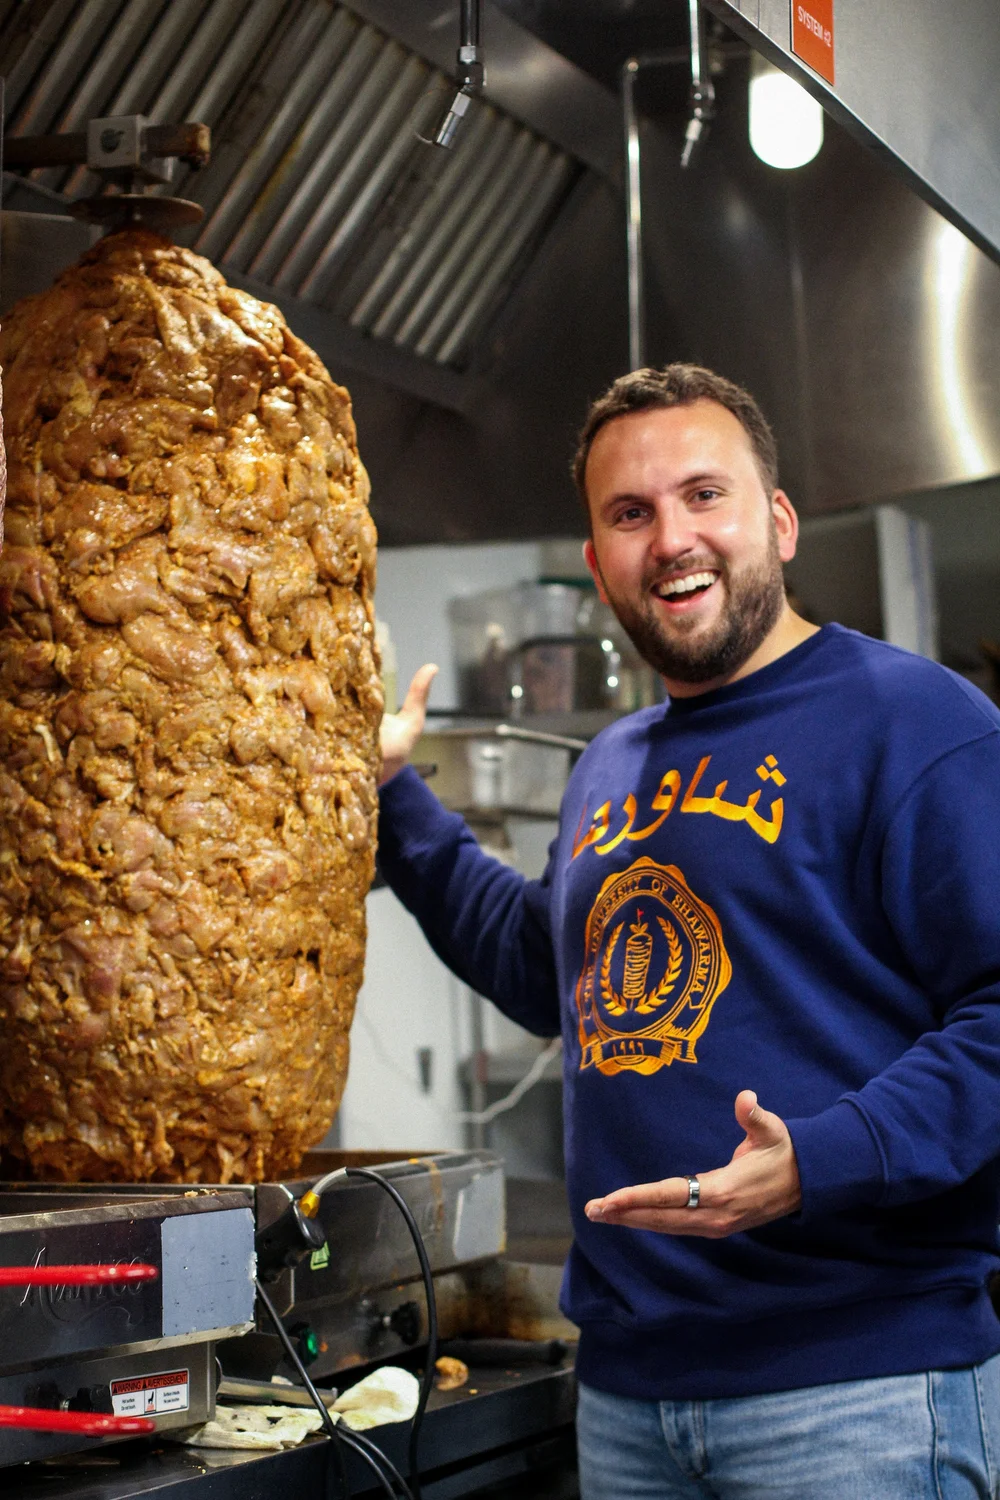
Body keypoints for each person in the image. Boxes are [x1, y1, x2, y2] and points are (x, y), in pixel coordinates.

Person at [377, 365, 1000, 1499]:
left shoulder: (917, 724)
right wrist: (393, 794)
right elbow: (544, 964)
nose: (672, 539)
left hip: (854, 1393)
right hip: (629, 1402)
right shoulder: (612, 763)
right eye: (631, 514)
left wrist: (821, 1158)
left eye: (704, 495)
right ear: (597, 562)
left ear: (779, 521)